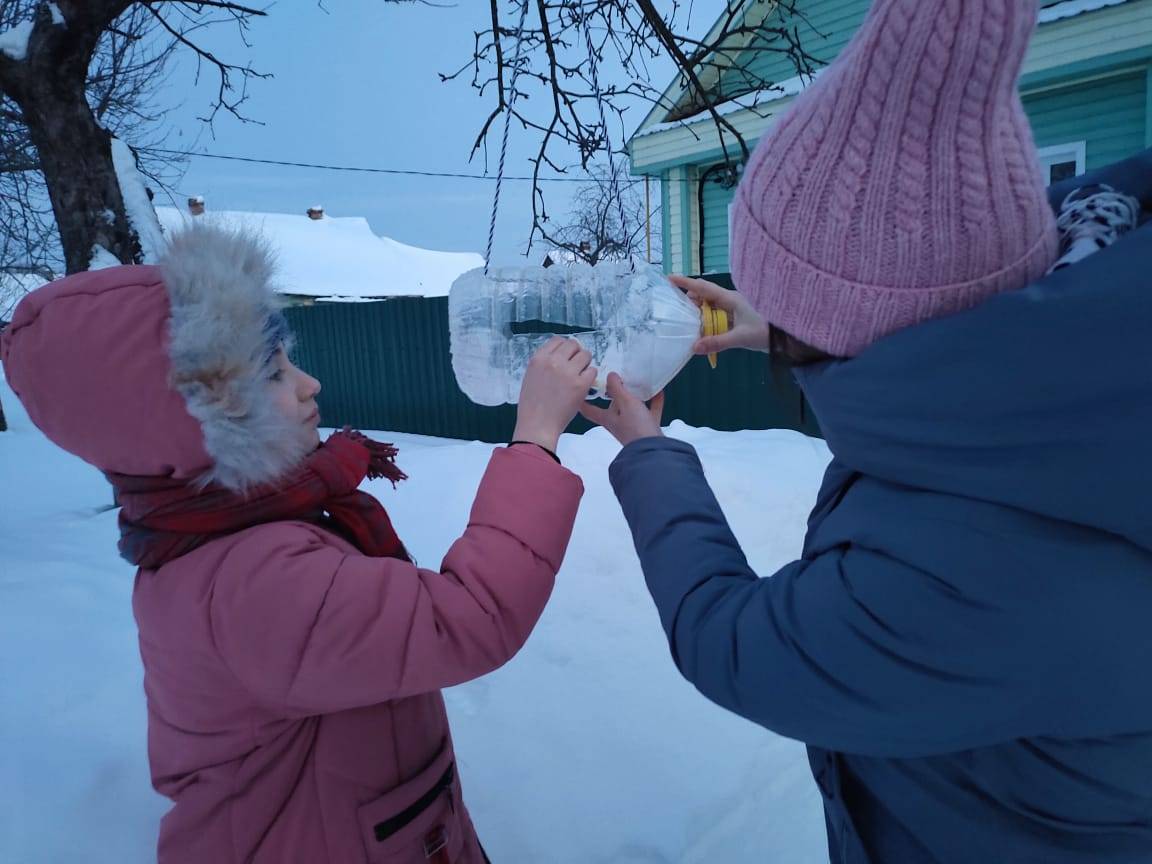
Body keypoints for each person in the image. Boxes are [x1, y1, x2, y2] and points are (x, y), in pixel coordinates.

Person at [582, 0, 1152, 857]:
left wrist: (653, 458)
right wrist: (782, 321)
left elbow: (730, 639)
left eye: (802, 329)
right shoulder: (1072, 378)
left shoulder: (964, 578)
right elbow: (939, 356)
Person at [1, 223, 595, 863]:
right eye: (272, 373)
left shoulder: (230, 531)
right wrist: (534, 436)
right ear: (198, 421)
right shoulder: (249, 583)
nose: (309, 383)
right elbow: (469, 618)